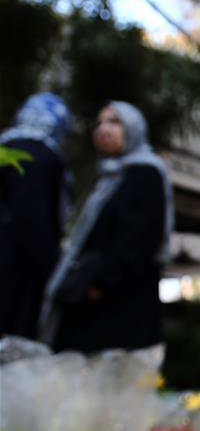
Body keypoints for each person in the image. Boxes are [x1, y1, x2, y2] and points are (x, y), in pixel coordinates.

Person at [39, 101, 173, 353]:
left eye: (114, 121)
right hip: (98, 303)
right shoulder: (110, 177)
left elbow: (140, 240)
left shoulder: (145, 174)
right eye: (99, 123)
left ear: (133, 128)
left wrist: (100, 284)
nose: (103, 129)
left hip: (118, 305)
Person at [0, 93, 72, 340]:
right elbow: (32, 222)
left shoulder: (5, 146)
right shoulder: (38, 156)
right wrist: (51, 267)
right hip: (14, 275)